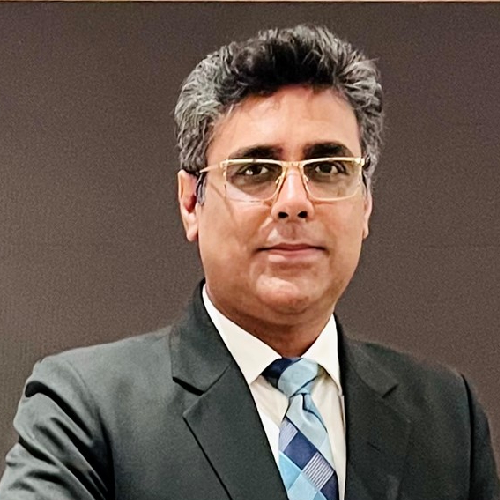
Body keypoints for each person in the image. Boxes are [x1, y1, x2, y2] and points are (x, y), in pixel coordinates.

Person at [0, 24, 498, 500]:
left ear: (365, 202)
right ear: (191, 202)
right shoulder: (87, 411)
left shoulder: (446, 416)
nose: (295, 201)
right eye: (256, 170)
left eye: (328, 168)